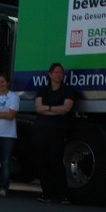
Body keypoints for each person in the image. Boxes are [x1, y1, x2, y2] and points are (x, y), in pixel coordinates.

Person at [34, 62, 73, 204]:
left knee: (57, 162)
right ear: (50, 74)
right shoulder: (43, 91)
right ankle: (46, 194)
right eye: (56, 72)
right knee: (43, 162)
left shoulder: (67, 90)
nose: (58, 75)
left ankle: (63, 196)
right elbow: (38, 108)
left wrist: (48, 109)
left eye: (61, 73)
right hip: (42, 130)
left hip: (58, 131)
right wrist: (55, 110)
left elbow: (66, 109)